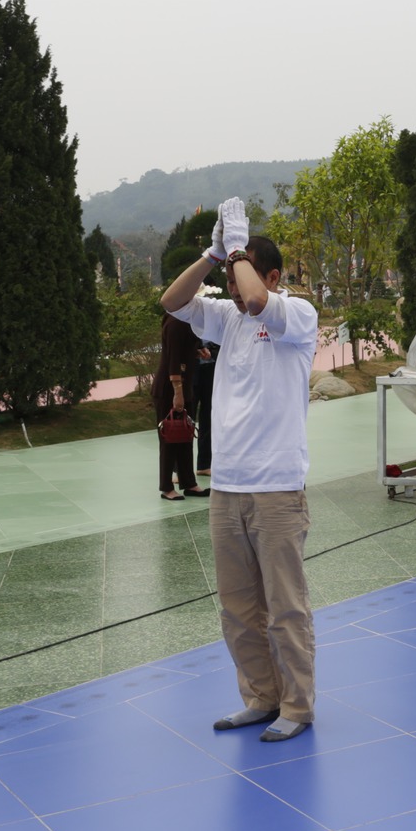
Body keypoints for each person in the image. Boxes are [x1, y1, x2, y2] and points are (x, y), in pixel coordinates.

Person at [161, 199, 320, 743]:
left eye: (240, 271)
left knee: (285, 608)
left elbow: (255, 298)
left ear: (272, 276)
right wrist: (212, 255)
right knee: (238, 608)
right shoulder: (227, 318)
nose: (232, 287)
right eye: (228, 277)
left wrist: (237, 250)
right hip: (227, 487)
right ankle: (260, 697)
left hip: (277, 488)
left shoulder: (295, 314)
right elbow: (171, 301)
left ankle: (296, 706)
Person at [152, 313, 206, 500]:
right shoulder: (176, 322)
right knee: (169, 437)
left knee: (185, 436)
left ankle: (189, 483)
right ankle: (166, 487)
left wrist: (198, 350)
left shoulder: (187, 319)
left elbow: (185, 347)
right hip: (170, 389)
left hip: (185, 385)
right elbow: (173, 359)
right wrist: (178, 392)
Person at [193, 339, 218, 477]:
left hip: (211, 368)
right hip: (190, 369)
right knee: (186, 419)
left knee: (208, 417)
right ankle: (180, 470)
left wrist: (211, 351)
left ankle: (204, 465)